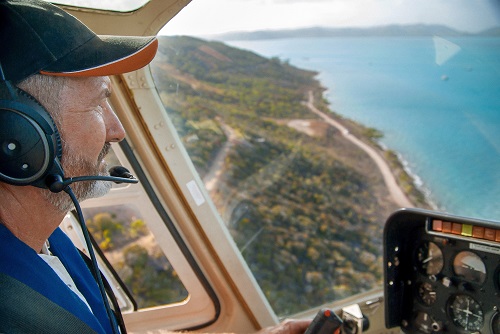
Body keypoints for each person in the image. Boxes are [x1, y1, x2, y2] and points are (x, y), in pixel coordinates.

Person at [0, 1, 312, 333]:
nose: (117, 130)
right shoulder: (13, 310)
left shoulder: (47, 245)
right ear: (15, 135)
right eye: (96, 104)